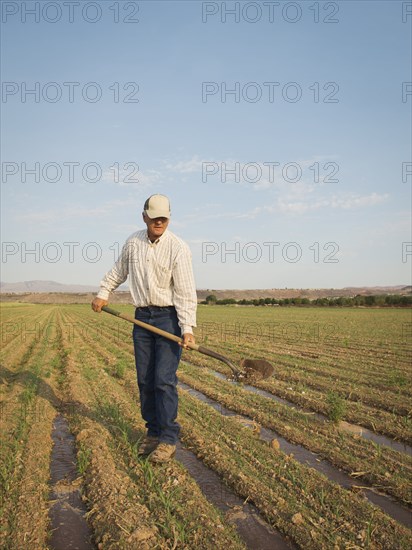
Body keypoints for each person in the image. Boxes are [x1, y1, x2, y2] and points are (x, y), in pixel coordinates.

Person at [91, 194, 197, 463]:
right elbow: (119, 270)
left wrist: (187, 328)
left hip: (167, 319)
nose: (159, 221)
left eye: (164, 217)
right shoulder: (133, 242)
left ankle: (168, 439)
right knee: (145, 380)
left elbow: (185, 292)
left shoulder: (178, 248)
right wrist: (104, 292)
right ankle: (152, 433)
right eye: (154, 217)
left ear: (168, 218)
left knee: (163, 380)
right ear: (145, 217)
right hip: (141, 318)